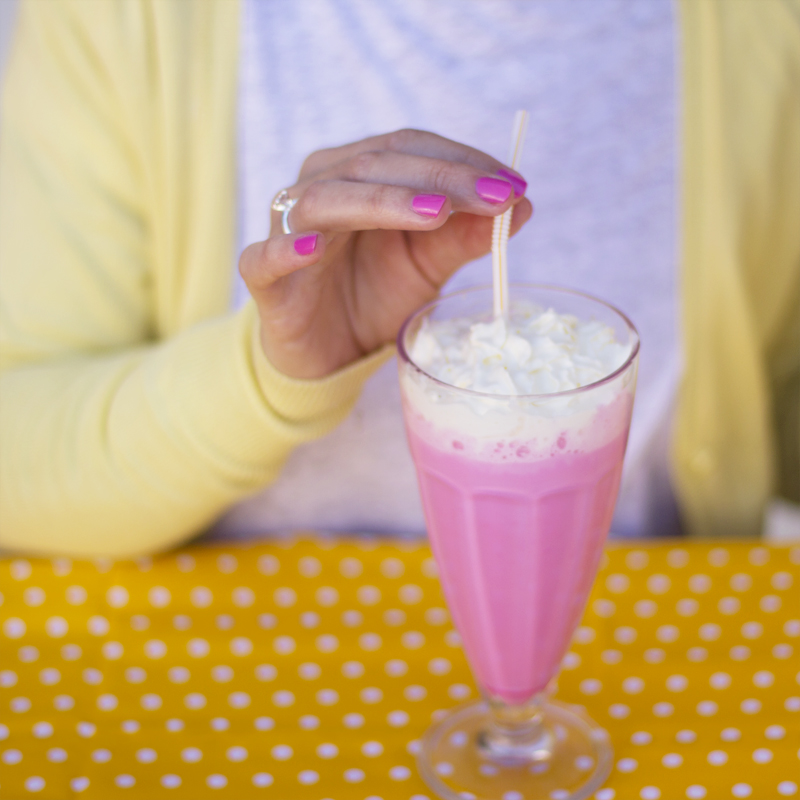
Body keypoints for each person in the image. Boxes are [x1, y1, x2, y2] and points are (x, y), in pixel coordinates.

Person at [0, 0, 798, 558]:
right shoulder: (131, 19)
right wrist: (267, 378)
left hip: (632, 666)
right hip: (240, 670)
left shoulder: (765, 29)